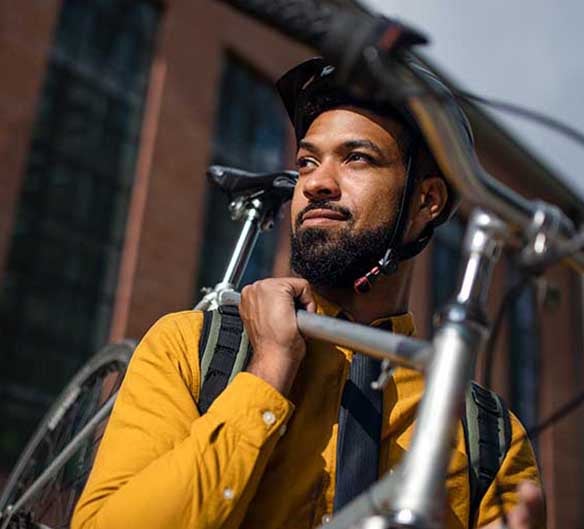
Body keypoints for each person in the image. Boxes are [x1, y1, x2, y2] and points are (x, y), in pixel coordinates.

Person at [72, 58, 544, 529]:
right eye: (307, 161)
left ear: (427, 201)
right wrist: (267, 375)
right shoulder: (190, 347)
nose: (315, 183)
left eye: (356, 157)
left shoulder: (489, 437)